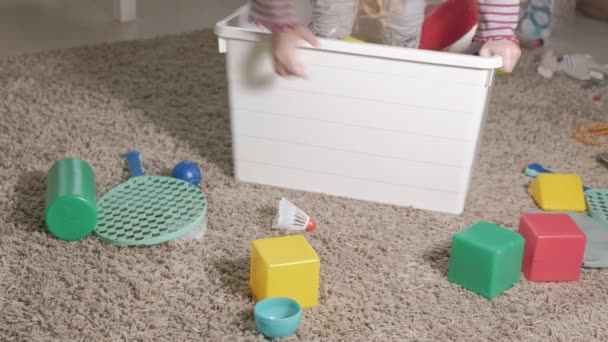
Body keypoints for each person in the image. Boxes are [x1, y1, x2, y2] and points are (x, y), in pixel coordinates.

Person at [248, 0, 522, 78]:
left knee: (406, 15)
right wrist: (282, 24)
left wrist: (498, 33)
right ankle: (326, 66)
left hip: (435, 16)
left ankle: (398, 71)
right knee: (332, 12)